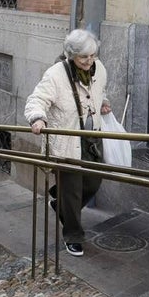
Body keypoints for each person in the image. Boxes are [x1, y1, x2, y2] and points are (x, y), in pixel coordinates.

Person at [24, 29, 112, 257]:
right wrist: (37, 117)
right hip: (67, 141)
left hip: (92, 138)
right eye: (84, 57)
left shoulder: (99, 68)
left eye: (92, 55)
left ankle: (60, 202)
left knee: (93, 183)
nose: (89, 60)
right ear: (71, 55)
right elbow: (37, 99)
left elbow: (99, 90)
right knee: (72, 191)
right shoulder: (55, 75)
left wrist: (103, 103)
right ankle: (73, 235)